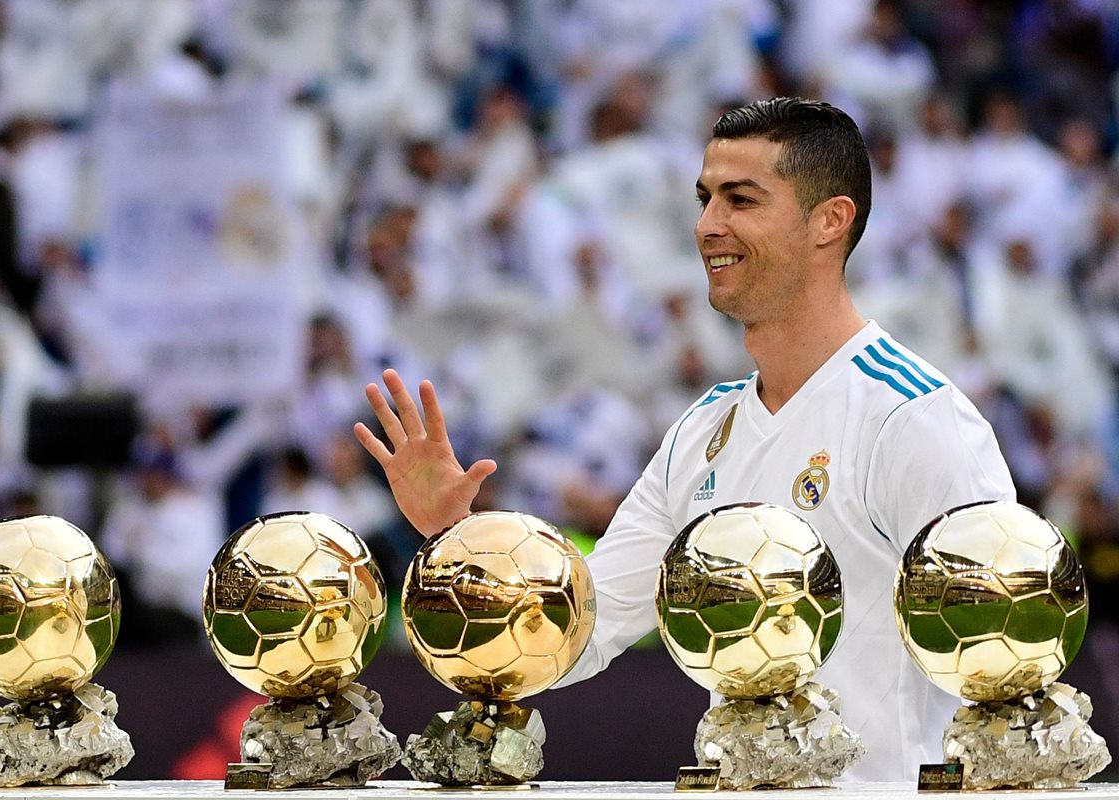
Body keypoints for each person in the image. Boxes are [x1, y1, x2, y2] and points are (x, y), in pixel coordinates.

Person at [353, 97, 1015, 782]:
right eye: (705, 199)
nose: (707, 226)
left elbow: (1011, 660)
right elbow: (580, 631)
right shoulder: (702, 431)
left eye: (741, 200)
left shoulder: (915, 418)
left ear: (830, 221)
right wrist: (459, 539)